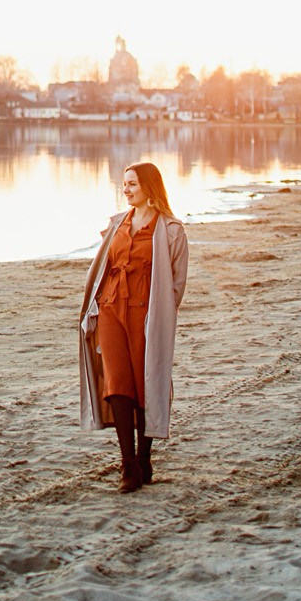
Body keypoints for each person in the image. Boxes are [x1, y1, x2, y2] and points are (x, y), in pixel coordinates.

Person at [78, 162, 188, 493]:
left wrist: (160, 316)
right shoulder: (116, 225)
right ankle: (127, 465)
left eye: (132, 185)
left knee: (146, 383)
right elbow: (104, 268)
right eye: (124, 184)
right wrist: (93, 309)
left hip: (146, 314)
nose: (125, 190)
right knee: (117, 384)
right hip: (111, 310)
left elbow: (176, 286)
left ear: (149, 187)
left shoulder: (171, 230)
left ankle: (144, 458)